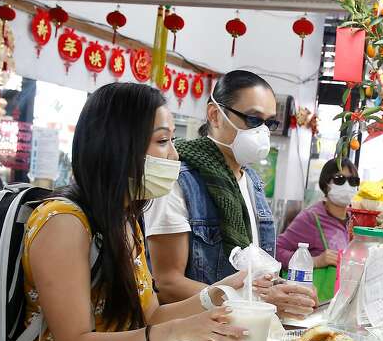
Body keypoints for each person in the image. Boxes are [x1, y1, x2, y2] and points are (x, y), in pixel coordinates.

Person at [14, 83, 251, 341]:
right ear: (118, 145)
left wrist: (223, 290)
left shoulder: (125, 219)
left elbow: (150, 315)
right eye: (163, 141)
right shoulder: (63, 222)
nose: (174, 156)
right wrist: (176, 332)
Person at [145, 70, 316, 320]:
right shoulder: (178, 181)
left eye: (270, 123)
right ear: (215, 115)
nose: (263, 132)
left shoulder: (252, 182)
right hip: (192, 338)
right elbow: (168, 284)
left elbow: (255, 275)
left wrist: (287, 293)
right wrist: (255, 301)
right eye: (254, 119)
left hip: (242, 331)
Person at [276, 158, 358, 299]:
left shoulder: (356, 219)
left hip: (347, 299)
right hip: (316, 302)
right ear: (326, 184)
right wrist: (315, 261)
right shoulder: (311, 218)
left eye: (353, 181)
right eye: (339, 179)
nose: (347, 186)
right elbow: (276, 250)